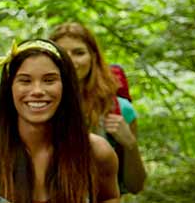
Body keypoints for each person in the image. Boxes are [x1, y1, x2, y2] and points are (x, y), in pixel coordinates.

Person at [0, 39, 120, 203]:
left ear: (66, 87)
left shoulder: (96, 153)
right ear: (10, 89)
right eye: (25, 81)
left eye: (49, 80)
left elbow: (110, 197)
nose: (37, 90)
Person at [50, 22, 147, 194]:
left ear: (93, 57)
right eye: (63, 53)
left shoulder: (120, 109)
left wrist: (130, 144)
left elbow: (135, 186)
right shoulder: (38, 107)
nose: (71, 60)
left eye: (79, 53)